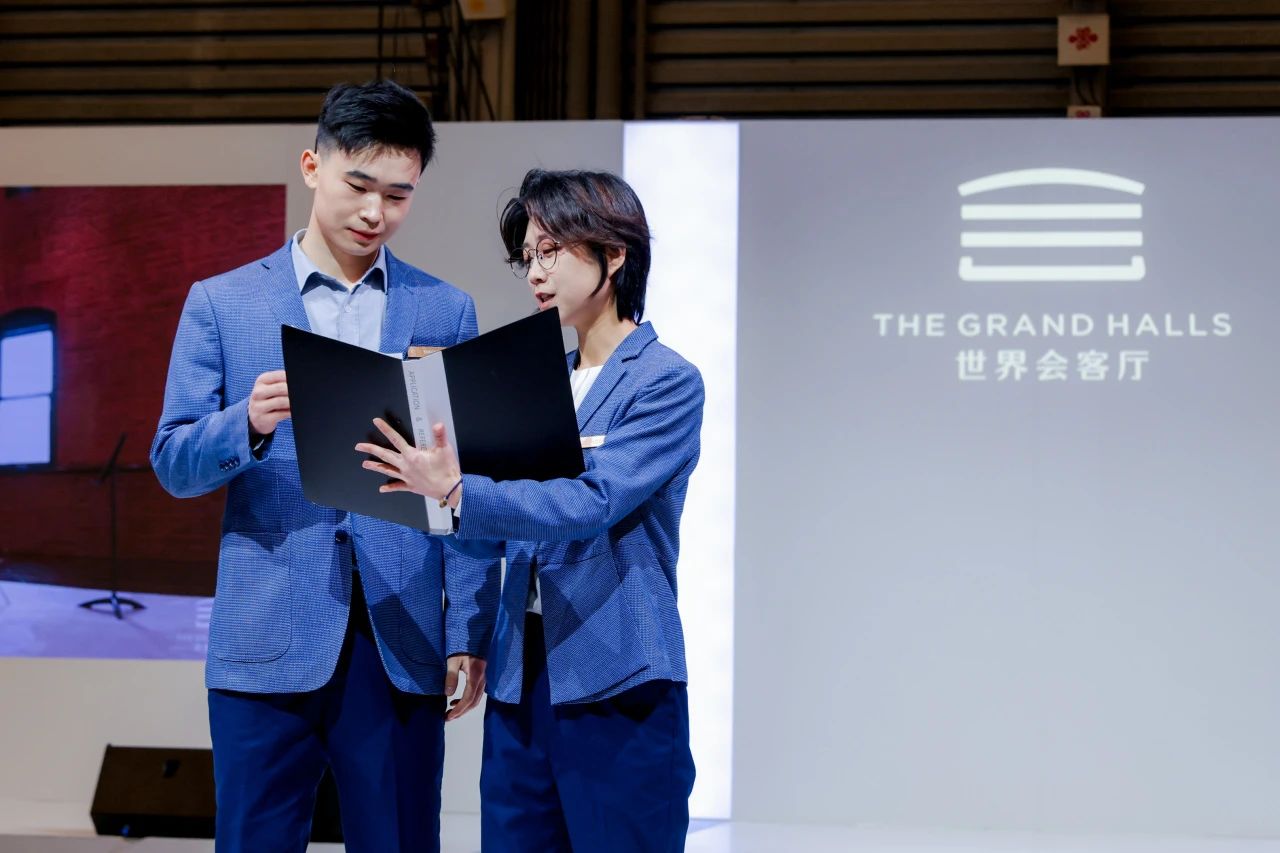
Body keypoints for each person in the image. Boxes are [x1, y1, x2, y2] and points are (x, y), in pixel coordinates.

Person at [150, 80, 496, 853]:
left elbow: (466, 485)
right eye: (359, 185)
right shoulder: (223, 303)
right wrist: (246, 422)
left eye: (398, 195)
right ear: (312, 167)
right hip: (265, 637)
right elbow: (173, 461)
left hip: (400, 634)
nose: (376, 212)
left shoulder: (445, 310)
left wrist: (468, 628)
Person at [356, 167, 702, 852]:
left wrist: (458, 489)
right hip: (521, 676)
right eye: (527, 257)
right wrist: (433, 501)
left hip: (619, 677)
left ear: (614, 254)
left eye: (551, 251)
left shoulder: (665, 380)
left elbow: (591, 502)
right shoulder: (535, 383)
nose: (534, 273)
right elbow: (499, 531)